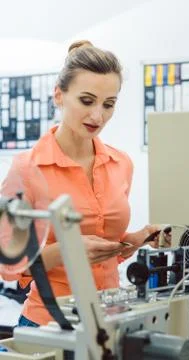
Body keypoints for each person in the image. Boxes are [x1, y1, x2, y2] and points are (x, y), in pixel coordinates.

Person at [0, 40, 171, 327]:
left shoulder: (121, 164)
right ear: (59, 95)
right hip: (50, 323)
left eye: (109, 104)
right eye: (87, 101)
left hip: (109, 320)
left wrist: (138, 238)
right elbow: (8, 266)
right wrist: (67, 250)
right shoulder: (28, 169)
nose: (98, 116)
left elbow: (102, 251)